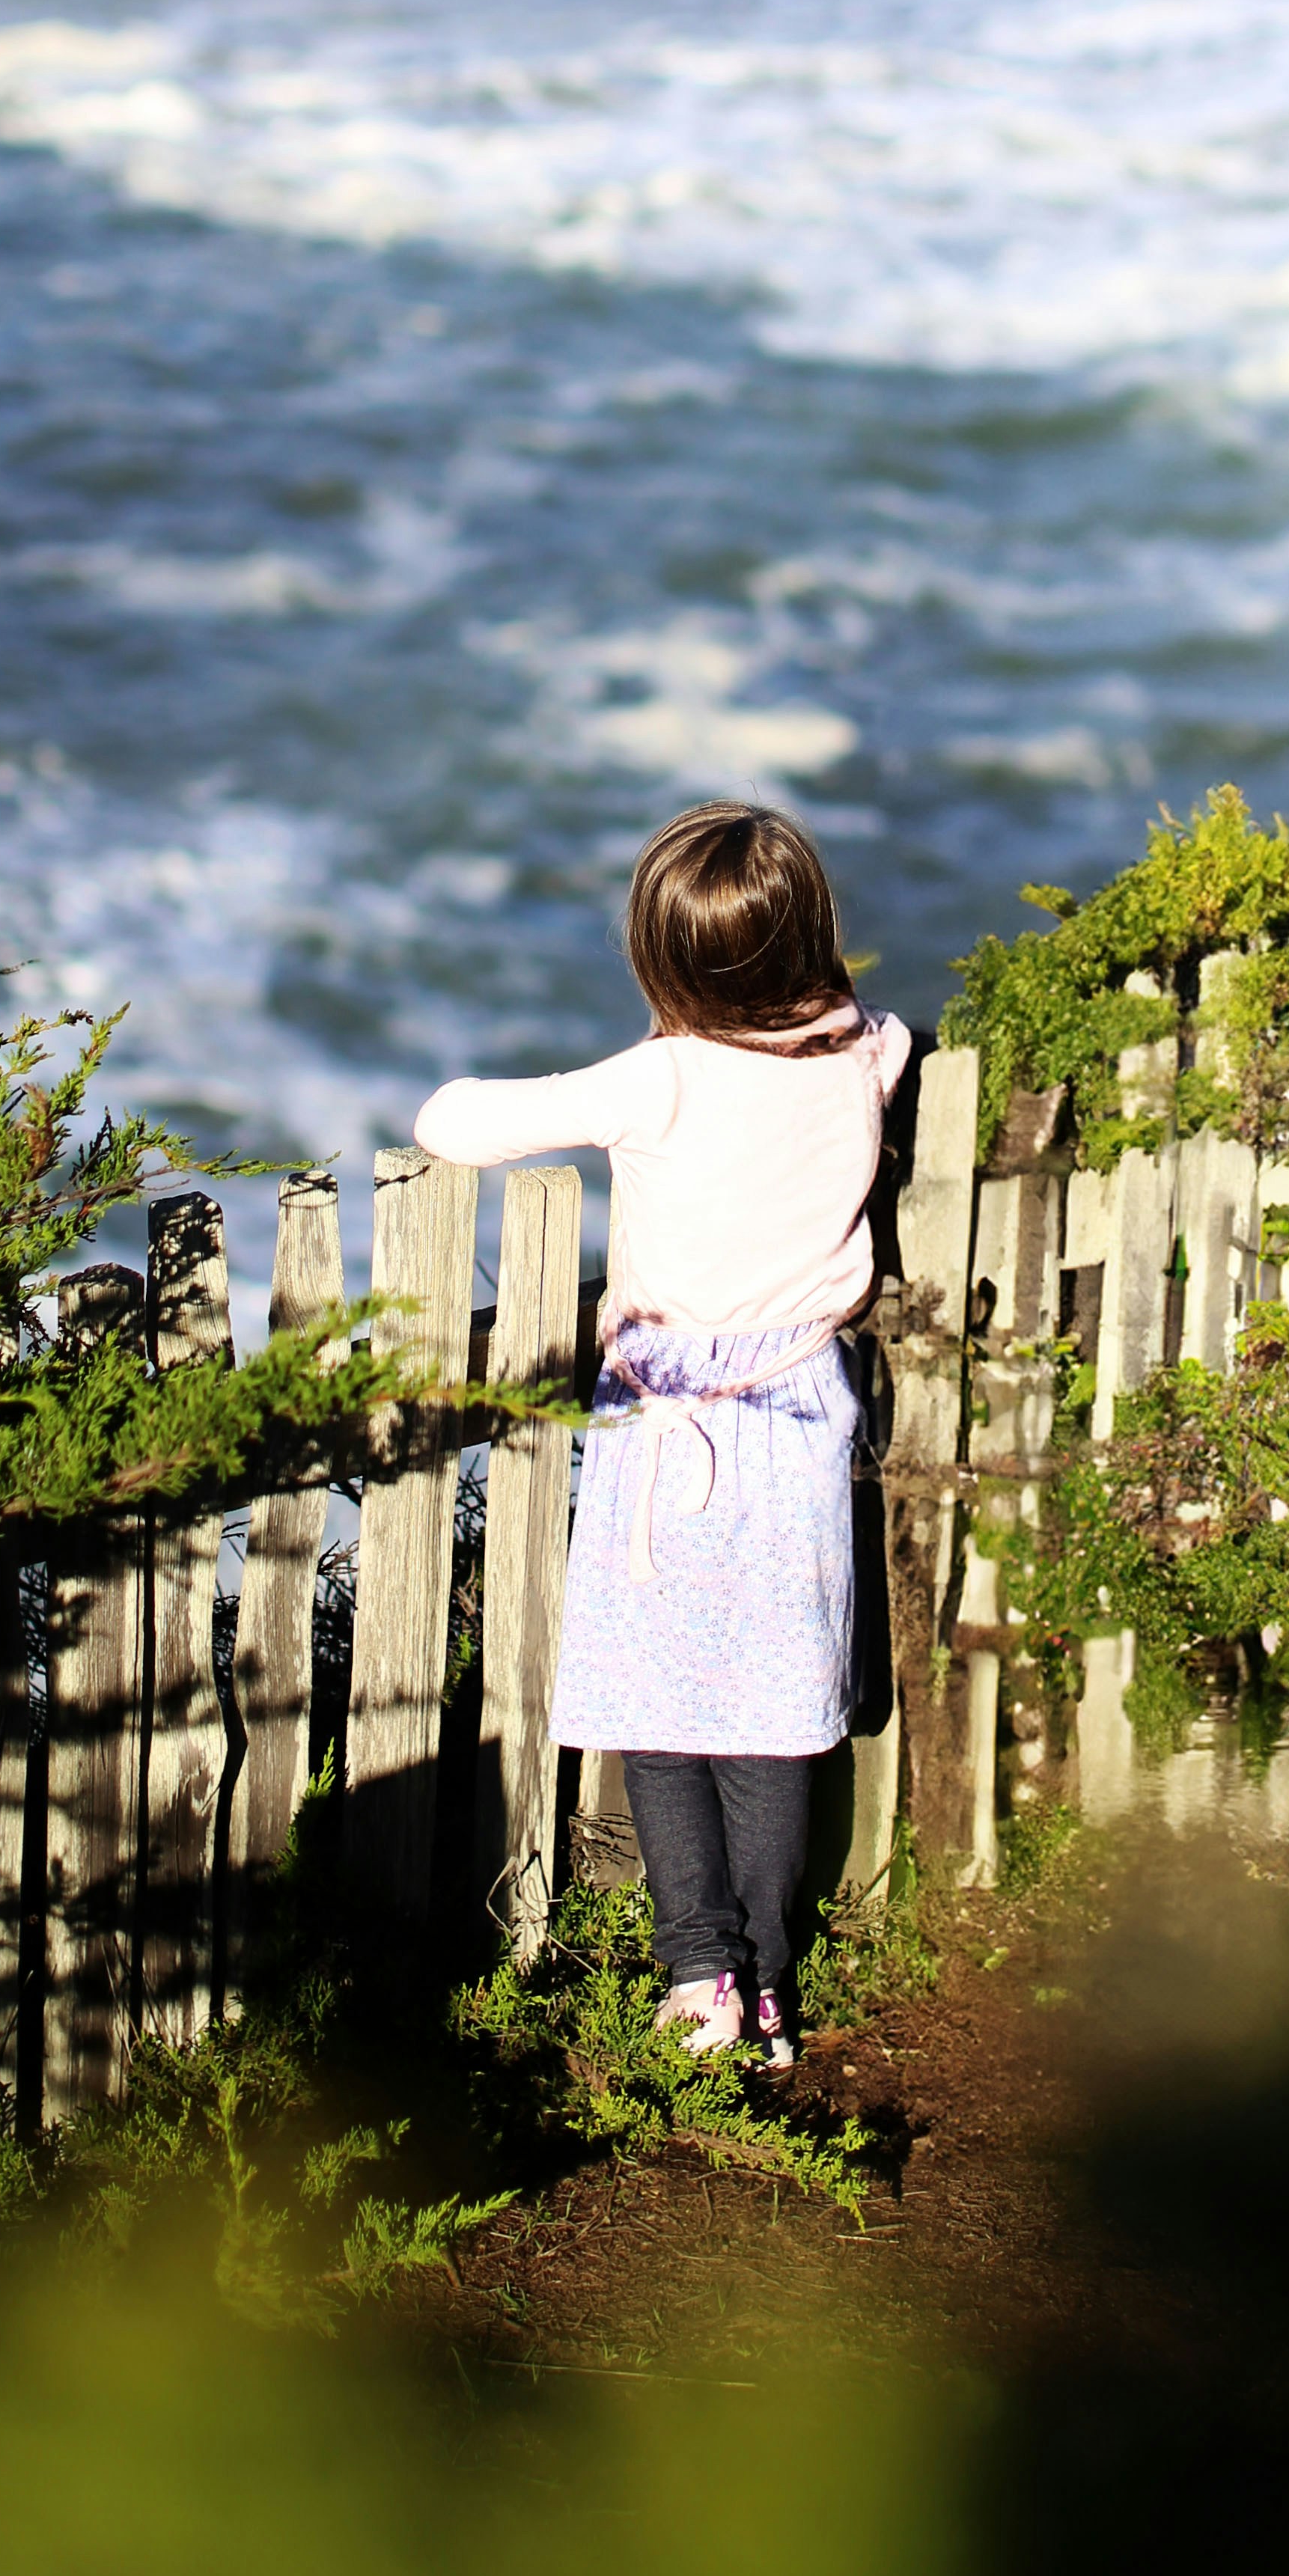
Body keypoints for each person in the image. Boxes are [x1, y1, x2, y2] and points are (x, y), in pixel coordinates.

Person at [414, 802, 909, 2069]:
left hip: (666, 1423)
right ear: (809, 935)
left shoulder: (664, 1078)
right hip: (798, 1410)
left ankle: (696, 1970)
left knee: (659, 1706)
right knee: (767, 1707)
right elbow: (893, 1032)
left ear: (661, 960)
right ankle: (767, 1983)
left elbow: (448, 1125)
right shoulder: (860, 1051)